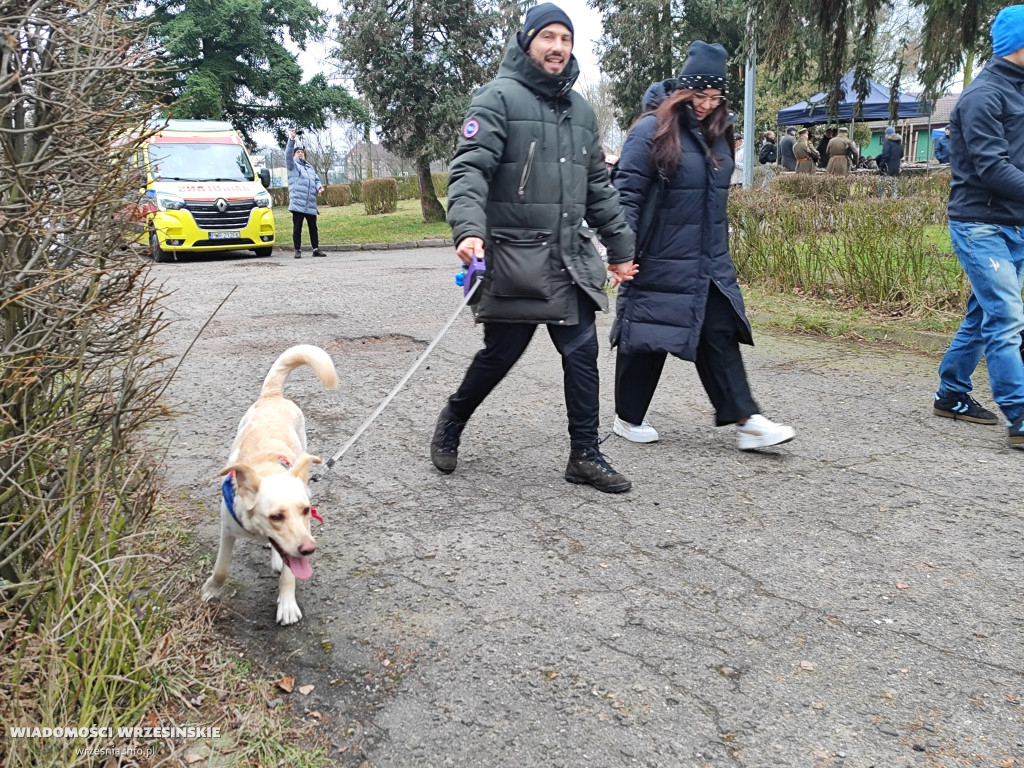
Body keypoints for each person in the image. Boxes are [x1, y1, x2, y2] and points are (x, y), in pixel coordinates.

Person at [432, 2, 638, 492]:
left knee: (581, 351)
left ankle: (584, 454)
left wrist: (620, 246)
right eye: (548, 37)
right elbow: (469, 172)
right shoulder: (497, 99)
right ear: (528, 41)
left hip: (569, 258)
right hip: (514, 258)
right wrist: (468, 231)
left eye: (565, 39)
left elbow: (598, 188)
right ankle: (452, 420)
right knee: (501, 354)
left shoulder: (581, 111)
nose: (558, 47)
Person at [610, 41, 795, 451]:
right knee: (647, 336)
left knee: (718, 331)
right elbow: (627, 195)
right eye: (699, 95)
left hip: (708, 259)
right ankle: (628, 416)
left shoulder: (718, 133)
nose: (707, 104)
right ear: (682, 90)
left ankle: (748, 421)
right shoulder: (650, 129)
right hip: (658, 255)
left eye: (716, 97)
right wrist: (620, 252)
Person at [933, 4, 1024, 448]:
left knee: (983, 314)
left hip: (1014, 223)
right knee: (1006, 318)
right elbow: (993, 168)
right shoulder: (984, 95)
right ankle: (1020, 415)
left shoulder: (1019, 91)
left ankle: (950, 392)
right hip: (979, 223)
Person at [286, 130, 325, 259]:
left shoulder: (309, 167)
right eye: (298, 152)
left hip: (310, 203)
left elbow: (316, 180)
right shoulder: (292, 166)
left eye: (302, 152)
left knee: (313, 228)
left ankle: (316, 249)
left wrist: (319, 187)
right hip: (298, 203)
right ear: (294, 155)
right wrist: (292, 140)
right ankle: (297, 250)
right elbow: (287, 154)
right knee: (297, 228)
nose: (301, 153)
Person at [874, 125, 903, 198]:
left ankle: (882, 198)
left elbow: (885, 155)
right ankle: (894, 199)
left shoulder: (887, 142)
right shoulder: (899, 142)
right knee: (894, 184)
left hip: (887, 167)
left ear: (887, 134)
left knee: (882, 183)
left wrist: (881, 165)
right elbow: (901, 155)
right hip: (896, 167)